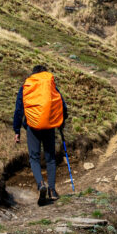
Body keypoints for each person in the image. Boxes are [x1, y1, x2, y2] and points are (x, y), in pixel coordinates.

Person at [13, 65, 67, 206]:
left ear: (33, 74)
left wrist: (17, 130)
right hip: (49, 126)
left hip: (32, 126)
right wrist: (61, 121)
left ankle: (40, 184)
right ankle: (53, 191)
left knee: (34, 157)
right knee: (50, 159)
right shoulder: (50, 86)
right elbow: (61, 104)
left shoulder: (27, 86)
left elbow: (19, 109)